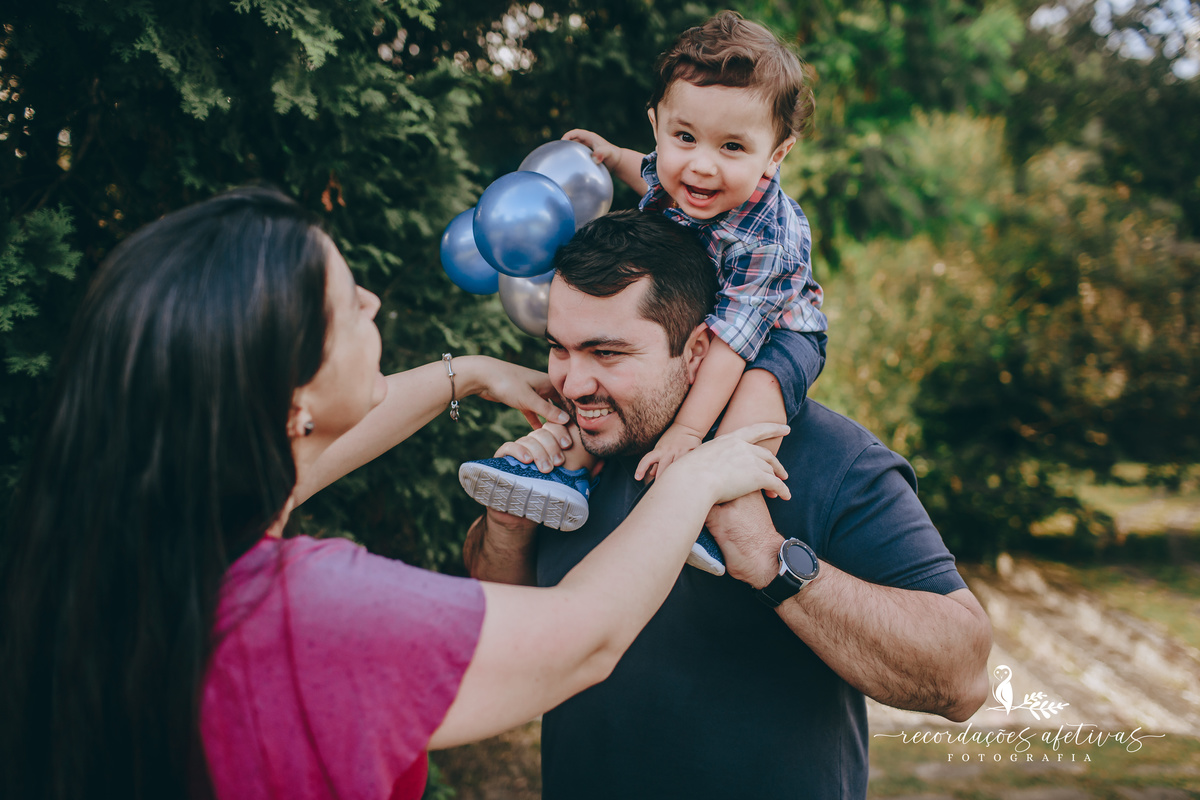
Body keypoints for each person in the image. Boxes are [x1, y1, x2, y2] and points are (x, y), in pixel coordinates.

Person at [0, 188, 793, 800]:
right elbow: (584, 637)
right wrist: (692, 479)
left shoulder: (146, 550)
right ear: (292, 398)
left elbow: (311, 450)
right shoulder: (304, 612)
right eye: (349, 304)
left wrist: (474, 374)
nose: (373, 304)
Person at [464, 210, 993, 800]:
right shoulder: (576, 449)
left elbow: (962, 677)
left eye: (606, 353)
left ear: (697, 350)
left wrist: (767, 556)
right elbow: (500, 631)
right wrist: (507, 525)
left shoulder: (833, 459)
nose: (573, 383)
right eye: (559, 349)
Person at [459, 12, 827, 577]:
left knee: (755, 401)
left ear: (776, 154)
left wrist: (685, 433)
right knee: (608, 397)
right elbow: (650, 173)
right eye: (685, 137)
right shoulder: (681, 171)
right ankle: (564, 472)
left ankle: (719, 509)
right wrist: (609, 155)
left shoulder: (770, 237)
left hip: (779, 329)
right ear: (657, 125)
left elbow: (731, 341)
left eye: (733, 147)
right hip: (704, 314)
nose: (701, 166)